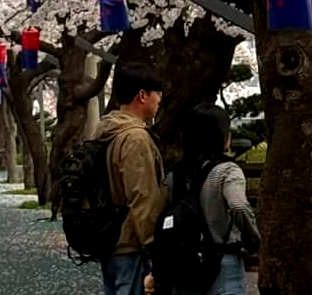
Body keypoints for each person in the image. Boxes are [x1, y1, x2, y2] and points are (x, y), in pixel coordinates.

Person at [149, 105, 259, 295]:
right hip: (223, 261)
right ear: (220, 136)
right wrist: (252, 240)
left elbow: (158, 214)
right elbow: (239, 205)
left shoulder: (175, 175)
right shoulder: (227, 171)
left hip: (183, 265)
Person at [95, 63, 166, 295]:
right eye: (157, 93)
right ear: (143, 95)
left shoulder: (105, 130)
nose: (159, 100)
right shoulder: (135, 138)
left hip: (108, 237)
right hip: (130, 242)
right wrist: (153, 245)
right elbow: (142, 196)